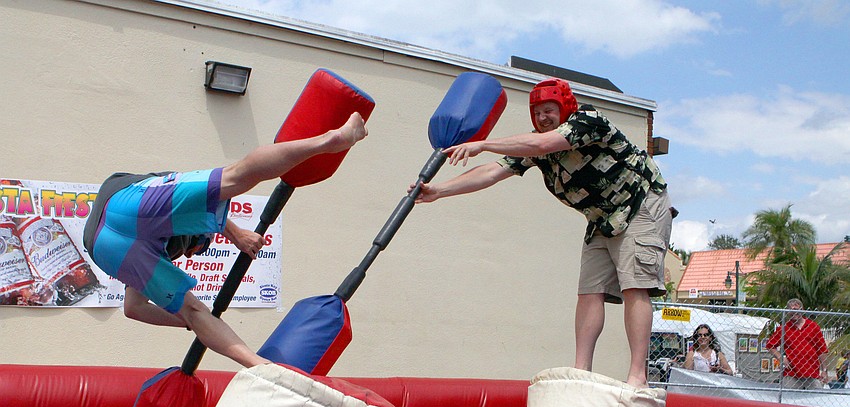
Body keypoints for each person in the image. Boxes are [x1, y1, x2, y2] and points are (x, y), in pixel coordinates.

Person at [412, 78, 675, 387]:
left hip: (641, 203)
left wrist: (482, 143)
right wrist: (438, 190)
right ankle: (581, 370)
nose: (542, 118)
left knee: (634, 284)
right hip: (602, 217)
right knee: (589, 290)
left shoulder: (588, 121)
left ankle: (636, 376)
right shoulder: (534, 146)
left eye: (549, 110)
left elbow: (541, 144)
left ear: (565, 108)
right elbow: (493, 171)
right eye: (537, 113)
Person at [83, 113, 368, 369]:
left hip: (102, 246)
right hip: (121, 203)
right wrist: (238, 234)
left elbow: (133, 309)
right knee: (237, 174)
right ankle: (328, 141)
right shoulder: (164, 210)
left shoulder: (155, 242)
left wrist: (187, 321)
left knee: (196, 313)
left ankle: (260, 368)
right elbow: (224, 188)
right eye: (195, 248)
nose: (189, 256)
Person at [766, 298, 828, 390]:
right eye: (792, 310)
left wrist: (824, 370)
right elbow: (770, 346)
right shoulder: (784, 328)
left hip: (812, 374)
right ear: (787, 312)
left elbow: (822, 349)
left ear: (802, 310)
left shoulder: (813, 327)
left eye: (797, 310)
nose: (795, 313)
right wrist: (781, 358)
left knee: (816, 399)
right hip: (791, 374)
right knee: (789, 400)